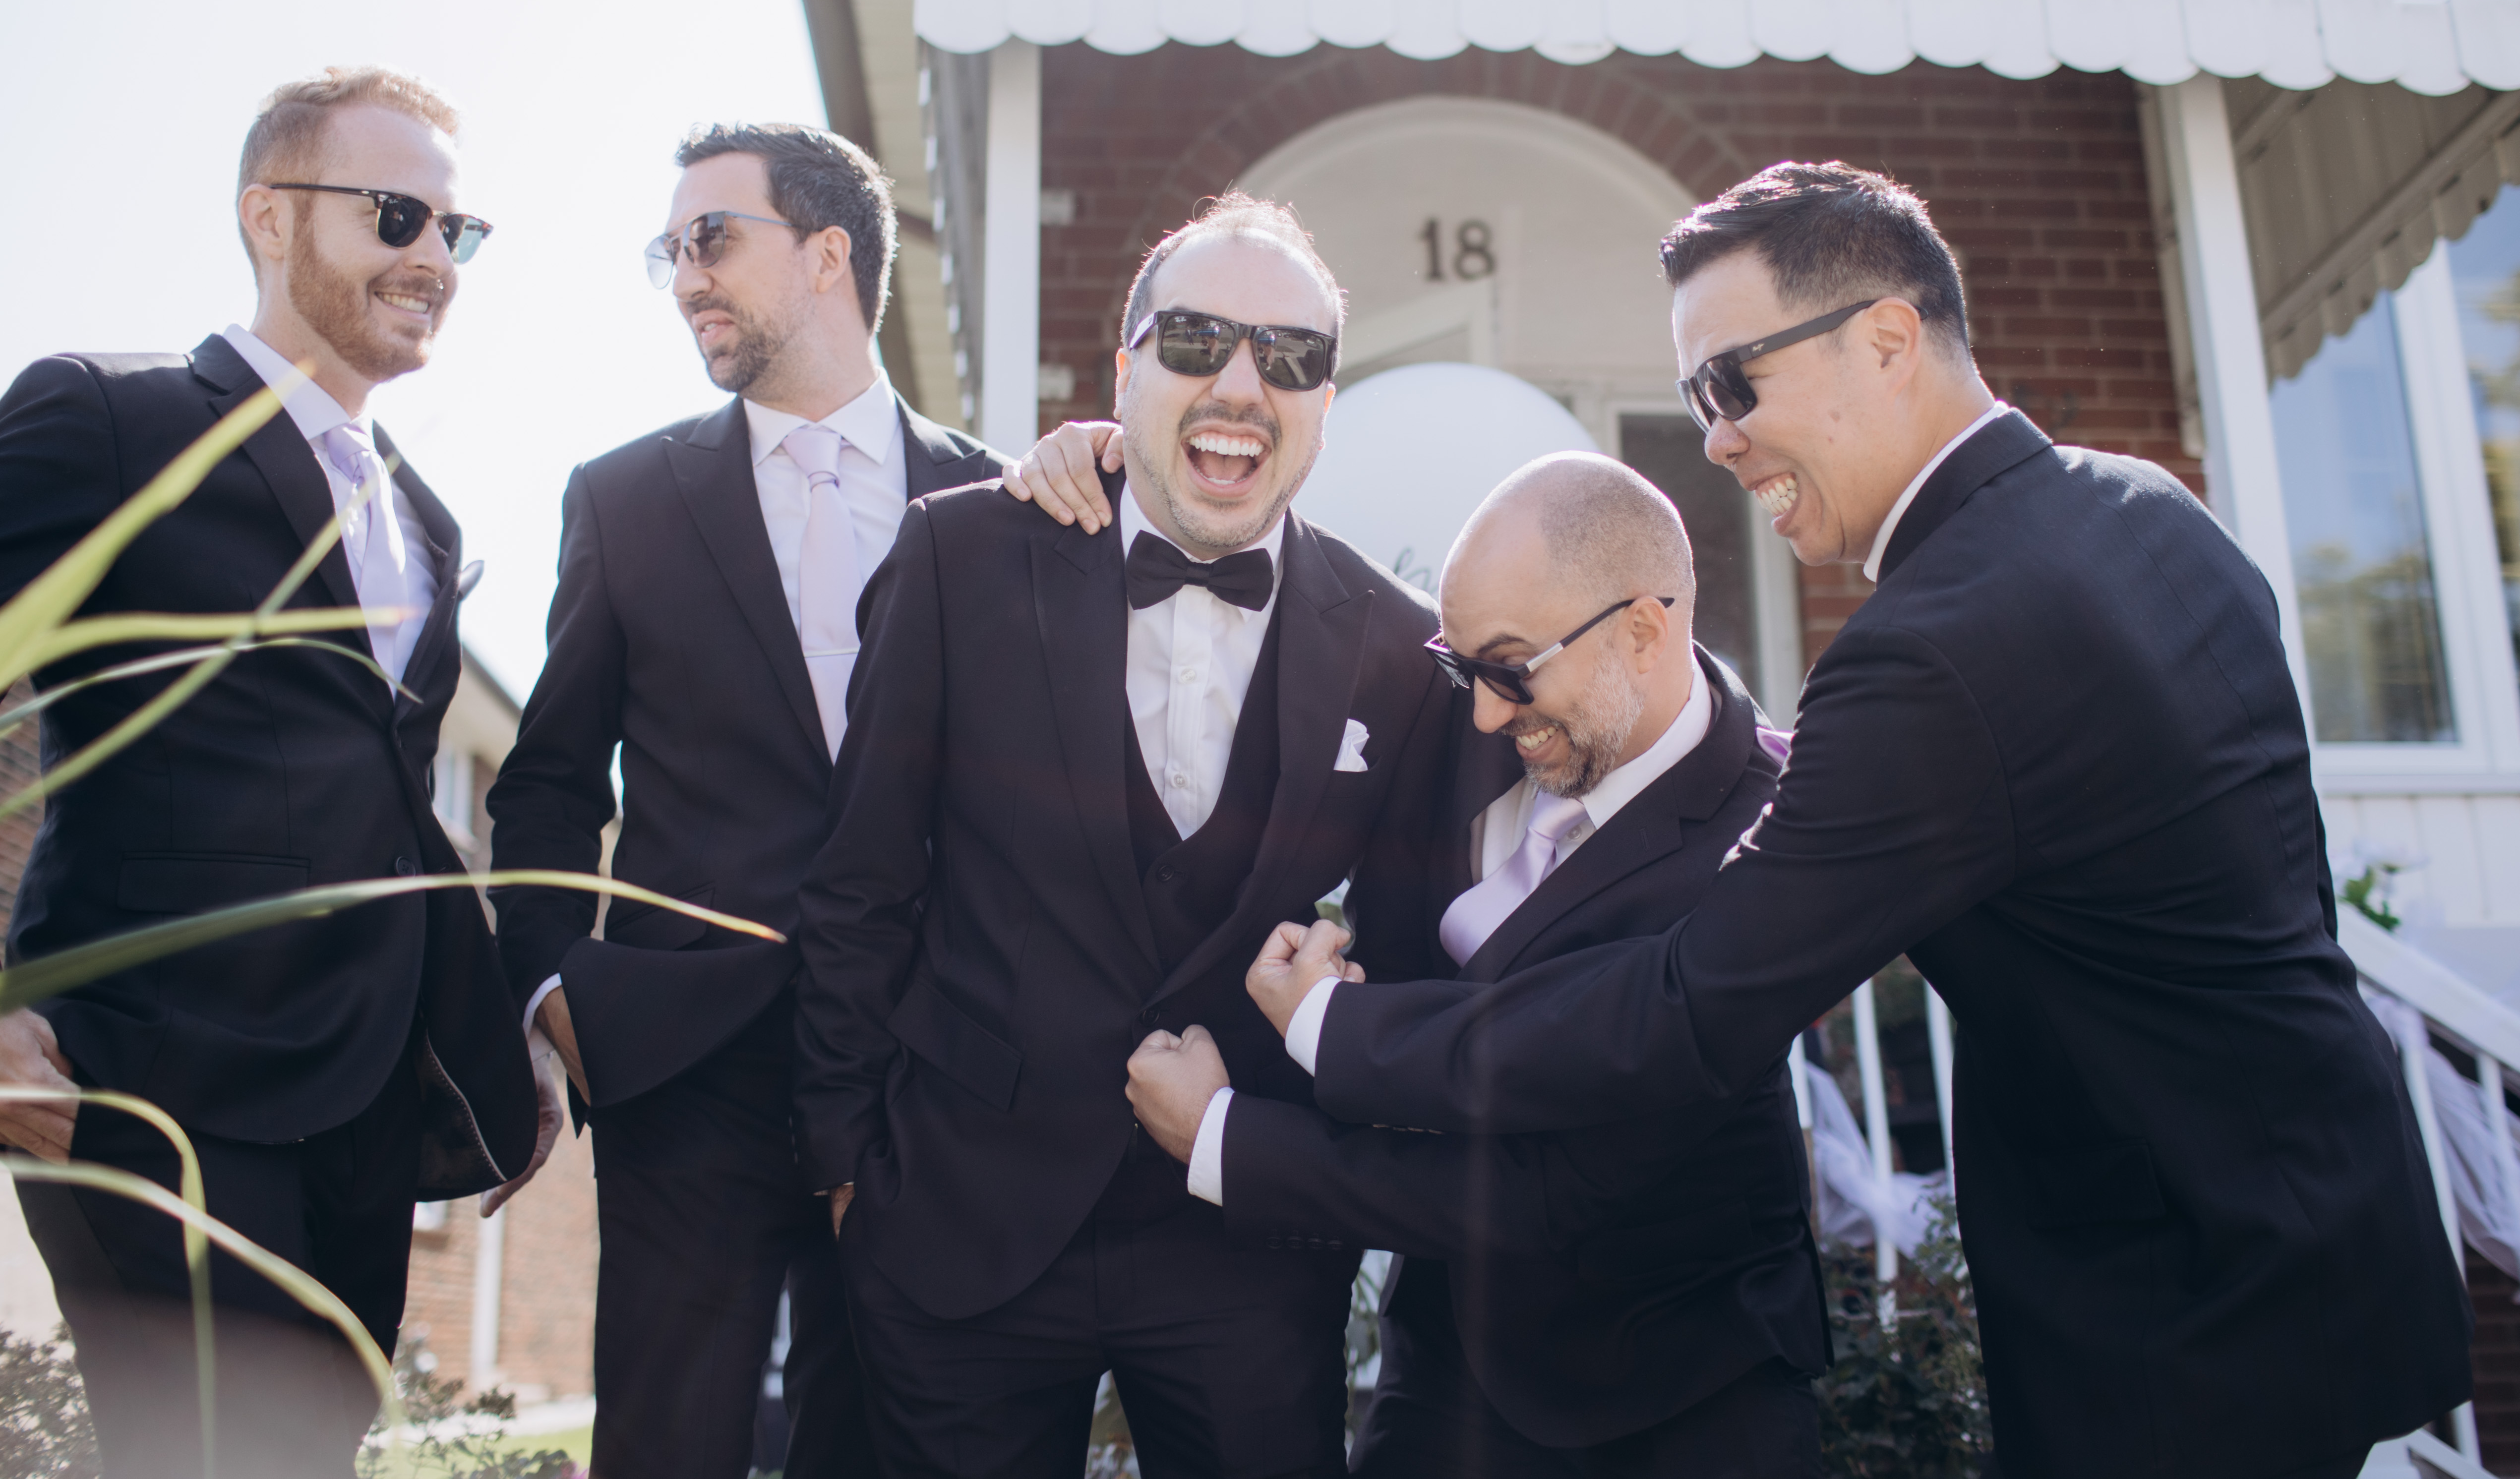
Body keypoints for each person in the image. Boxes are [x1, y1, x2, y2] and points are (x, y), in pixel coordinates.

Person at [1239, 161, 2475, 1479]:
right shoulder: (2152, 509)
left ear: (1887, 338)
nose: (1717, 438)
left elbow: (1688, 1005)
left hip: (2175, 1314)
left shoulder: (1930, 652)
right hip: (2341, 1224)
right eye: (1696, 398)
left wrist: (1336, 1029)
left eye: (1734, 383)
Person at [790, 193, 1453, 1479]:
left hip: (1248, 1241)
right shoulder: (960, 555)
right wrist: (844, 1166)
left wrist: (1328, 1168)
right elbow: (861, 879)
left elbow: (1409, 963)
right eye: (1198, 339)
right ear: (1126, 369)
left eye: (1292, 356)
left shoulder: (1396, 645)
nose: (1243, 383)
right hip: (958, 1210)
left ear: (1326, 401)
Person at [0, 67, 540, 1477]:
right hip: (151, 1083)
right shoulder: (104, 416)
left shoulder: (426, 518)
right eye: (396, 216)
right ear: (269, 217)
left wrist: (498, 1042)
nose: (433, 258)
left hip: (362, 1113)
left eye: (456, 231)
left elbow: (393, 809)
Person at [1122, 451, 1828, 1478]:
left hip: (1682, 1384)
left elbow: (1548, 1189)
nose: (1486, 713)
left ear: (1642, 631)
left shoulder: (1770, 837)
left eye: (1509, 669)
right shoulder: (1466, 713)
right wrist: (1107, 464)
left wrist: (1227, 1138)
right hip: (1450, 1357)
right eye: (1463, 668)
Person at [483, 123, 998, 1479]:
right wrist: (551, 987)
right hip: (684, 1061)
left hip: (920, 1062)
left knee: (883, 1444)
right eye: (669, 250)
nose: (685, 277)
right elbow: (547, 781)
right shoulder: (625, 499)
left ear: (829, 253)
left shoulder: (992, 499)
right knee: (669, 1446)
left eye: (711, 238)